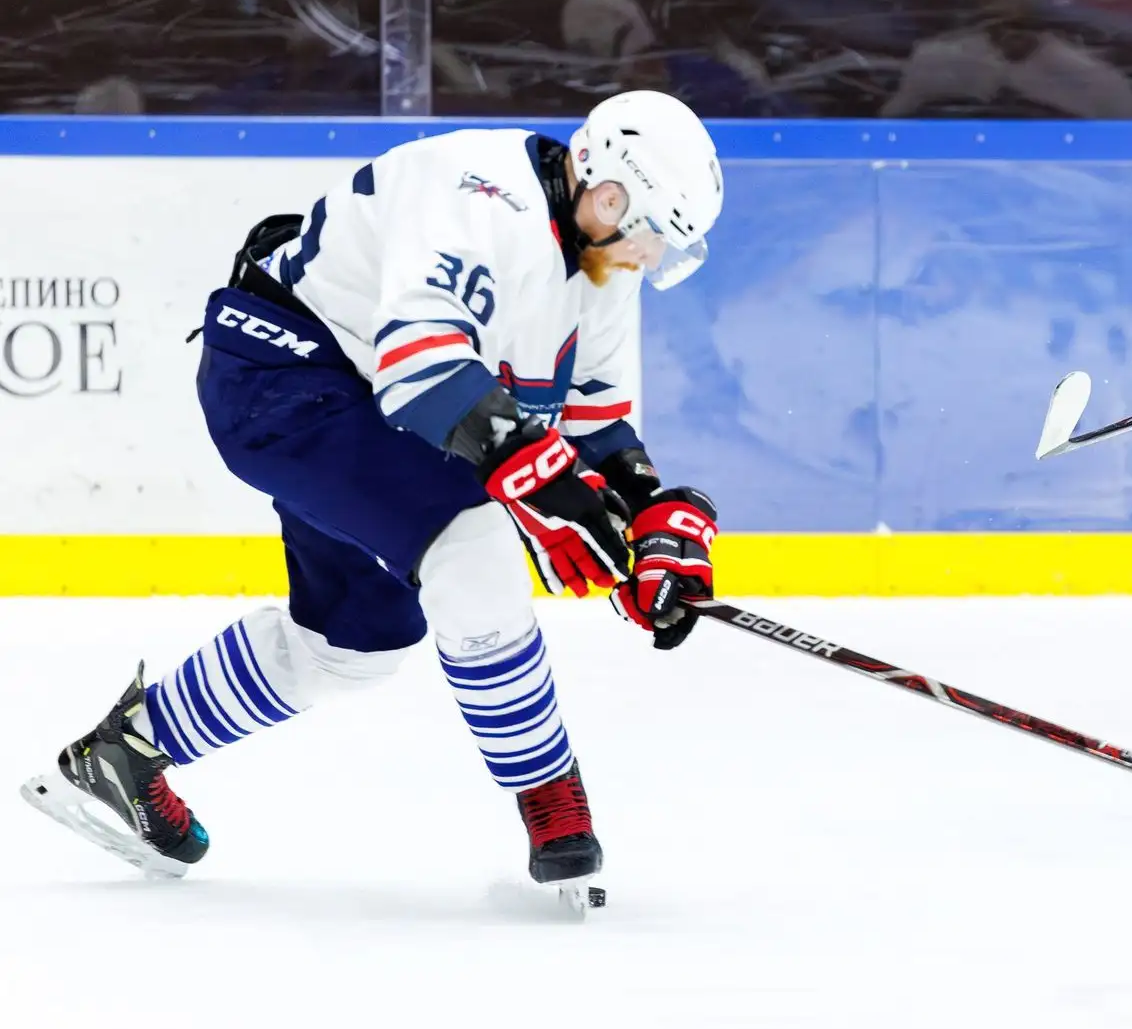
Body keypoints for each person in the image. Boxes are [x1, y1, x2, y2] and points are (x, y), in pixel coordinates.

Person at [22, 91, 725, 907]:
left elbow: (595, 422)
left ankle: (126, 754)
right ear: (608, 192)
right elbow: (422, 365)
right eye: (651, 230)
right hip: (285, 377)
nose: (651, 253)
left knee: (356, 640)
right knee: (471, 546)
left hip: (361, 404)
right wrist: (547, 487)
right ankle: (554, 805)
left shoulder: (603, 262)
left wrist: (648, 519)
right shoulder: (480, 192)